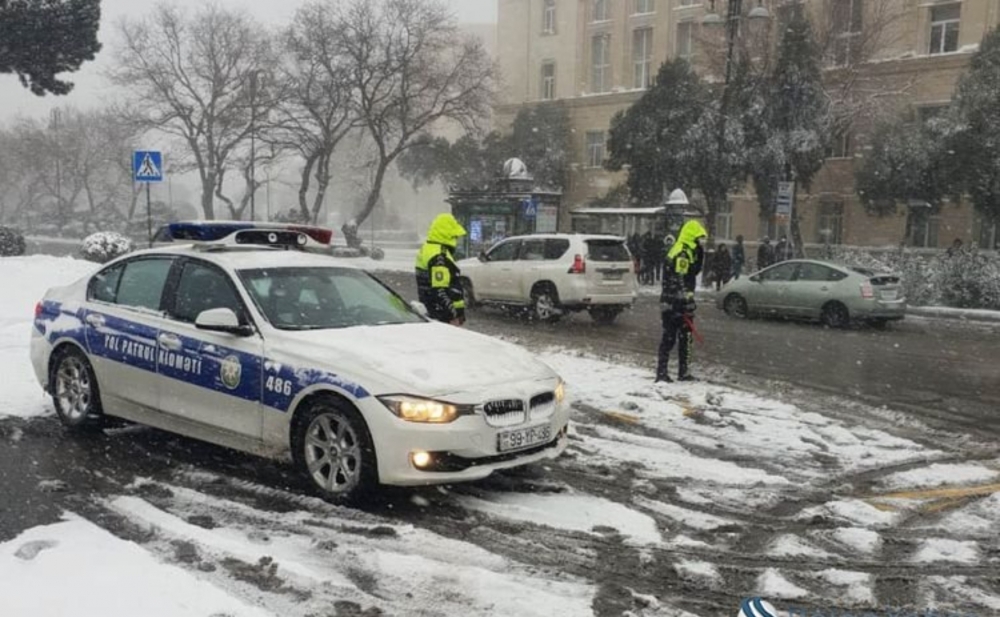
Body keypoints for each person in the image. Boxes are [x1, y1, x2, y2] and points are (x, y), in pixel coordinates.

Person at [656, 219, 708, 383]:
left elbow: (693, 273)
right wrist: (683, 302)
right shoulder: (682, 253)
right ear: (692, 237)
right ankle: (662, 373)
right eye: (700, 239)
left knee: (685, 338)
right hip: (674, 303)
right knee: (670, 337)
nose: (702, 243)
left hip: (680, 303)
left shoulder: (689, 251)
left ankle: (683, 372)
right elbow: (680, 280)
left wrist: (700, 253)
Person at [415, 213, 468, 325]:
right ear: (447, 235)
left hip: (434, 312)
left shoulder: (429, 249)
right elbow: (440, 290)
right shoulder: (439, 256)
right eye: (454, 236)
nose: (456, 240)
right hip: (443, 317)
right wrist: (452, 315)